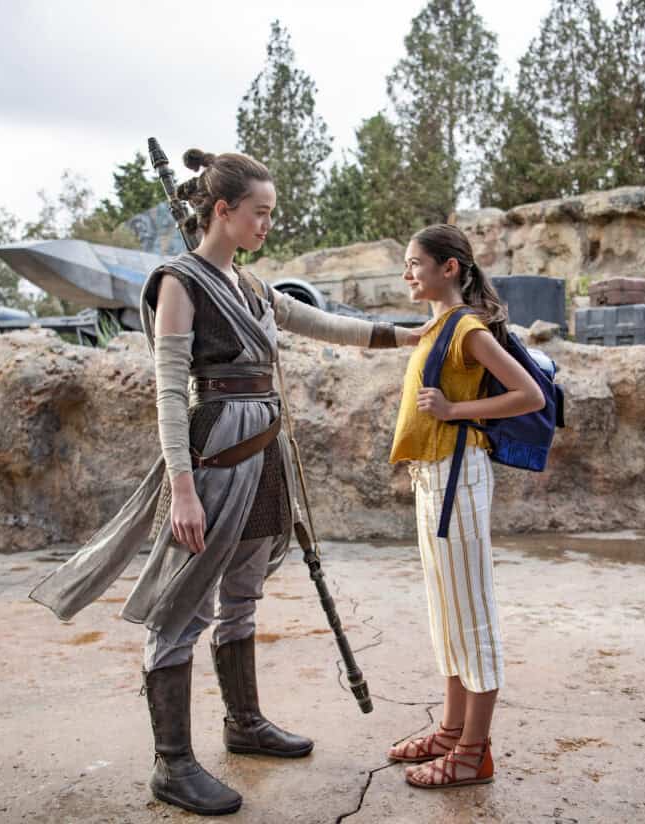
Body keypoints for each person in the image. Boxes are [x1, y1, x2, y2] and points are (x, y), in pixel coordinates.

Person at [31, 148, 423, 816]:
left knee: (242, 593)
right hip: (212, 457)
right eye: (259, 213)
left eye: (270, 213)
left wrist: (417, 334)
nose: (267, 224)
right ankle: (172, 766)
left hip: (263, 454)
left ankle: (244, 723)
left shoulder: (252, 287)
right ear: (222, 210)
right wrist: (181, 489)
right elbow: (168, 392)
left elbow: (330, 326)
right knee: (183, 605)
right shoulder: (179, 283)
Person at [386, 224, 544, 789]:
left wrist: (455, 410)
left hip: (459, 479)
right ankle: (452, 730)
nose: (407, 273)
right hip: (433, 480)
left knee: (472, 614)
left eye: (415, 263)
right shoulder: (436, 327)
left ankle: (475, 751)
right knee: (446, 612)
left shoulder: (467, 329)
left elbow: (530, 394)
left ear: (449, 268)